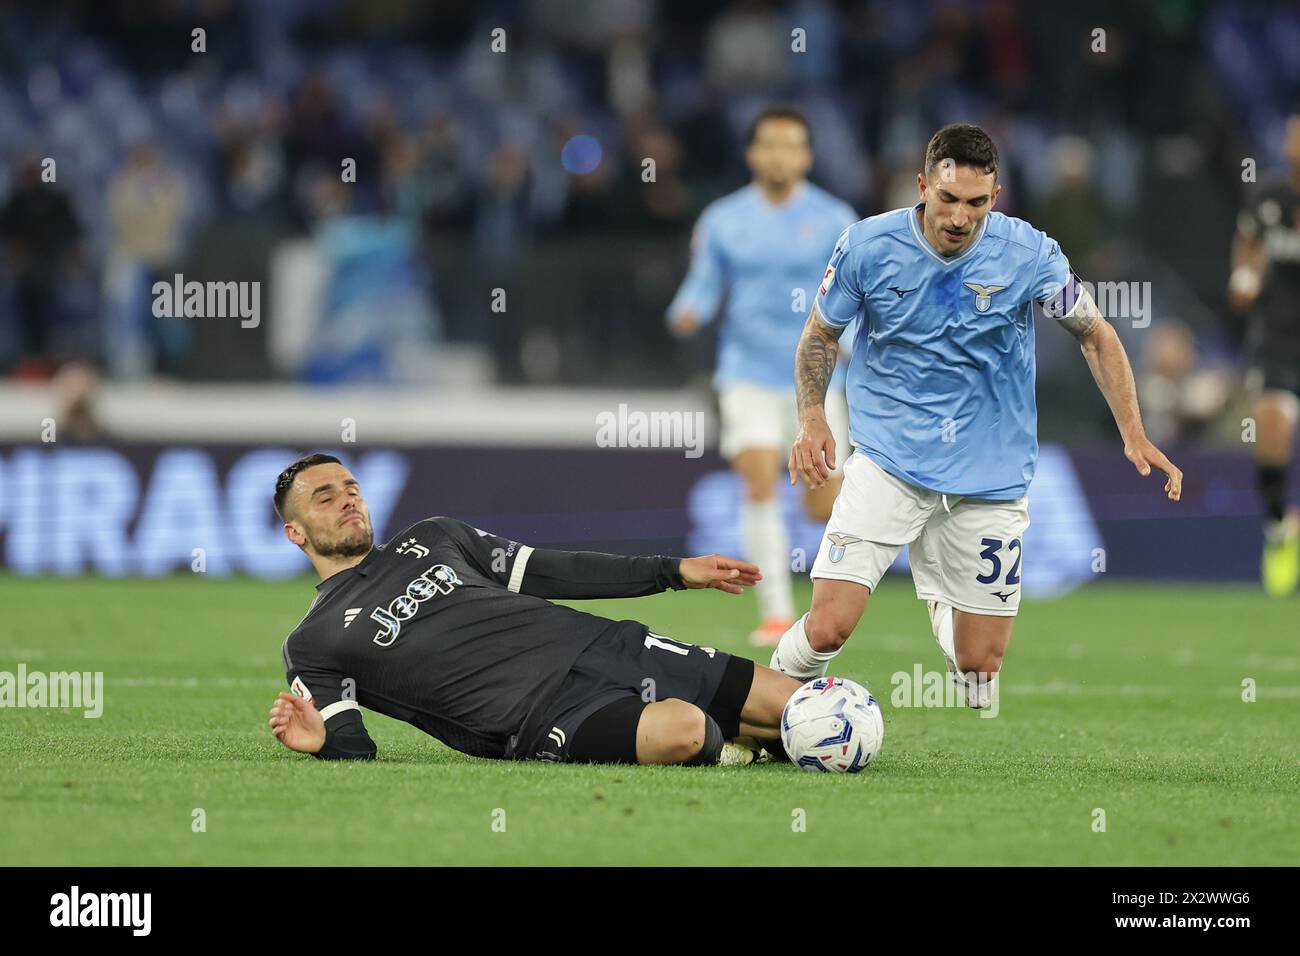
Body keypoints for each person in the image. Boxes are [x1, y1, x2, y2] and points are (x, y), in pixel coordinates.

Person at [772, 123, 1183, 708]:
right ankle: (754, 711)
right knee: (829, 626)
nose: (960, 217)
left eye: (975, 203)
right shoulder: (866, 247)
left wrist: (1134, 432)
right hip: (889, 459)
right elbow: (820, 334)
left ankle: (942, 593)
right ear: (922, 187)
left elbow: (1095, 333)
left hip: (990, 472)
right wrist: (813, 416)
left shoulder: (1029, 253)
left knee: (978, 675)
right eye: (947, 199)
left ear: (996, 196)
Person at [267, 454, 803, 765]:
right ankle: (741, 742)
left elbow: (553, 569)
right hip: (543, 716)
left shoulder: (434, 537)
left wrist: (672, 571)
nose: (347, 500)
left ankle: (754, 736)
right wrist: (319, 743)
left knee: (799, 706)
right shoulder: (311, 643)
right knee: (687, 731)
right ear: (295, 532)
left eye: (351, 488)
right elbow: (353, 747)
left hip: (603, 644)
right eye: (325, 497)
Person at [667, 105, 857, 646]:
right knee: (756, 477)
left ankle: (839, 593)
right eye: (770, 144)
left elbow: (854, 291)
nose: (780, 155)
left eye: (792, 145)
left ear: (807, 156)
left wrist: (855, 344)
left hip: (817, 379)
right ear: (753, 154)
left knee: (822, 502)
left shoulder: (835, 217)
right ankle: (776, 612)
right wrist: (688, 309)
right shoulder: (723, 219)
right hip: (746, 372)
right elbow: (703, 282)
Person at [1229, 108, 1300, 597]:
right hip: (1277, 334)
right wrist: (1244, 277)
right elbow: (1247, 246)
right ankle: (1278, 529)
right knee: (1271, 430)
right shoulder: (1268, 197)